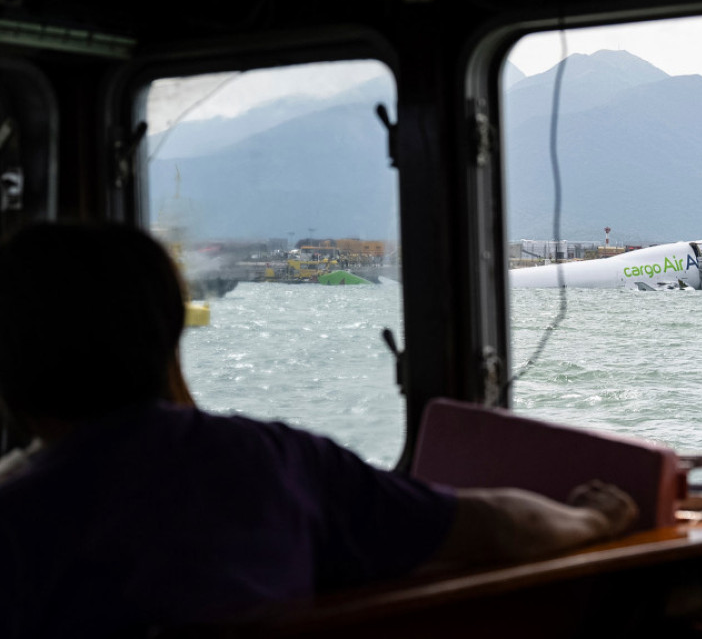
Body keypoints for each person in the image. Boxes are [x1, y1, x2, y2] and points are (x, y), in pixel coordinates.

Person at [0, 221, 637, 638]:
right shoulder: (269, 463)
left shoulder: (20, 511)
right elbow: (503, 525)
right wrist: (596, 521)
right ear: (168, 330)